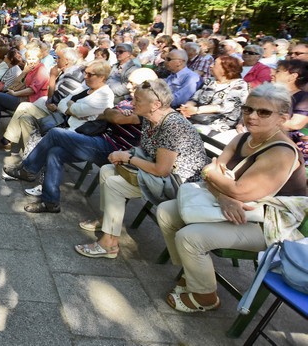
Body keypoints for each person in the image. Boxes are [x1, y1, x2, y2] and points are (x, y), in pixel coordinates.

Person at [156, 83, 307, 312]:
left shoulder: (281, 151)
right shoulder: (244, 138)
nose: (252, 116)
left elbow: (238, 190)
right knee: (166, 212)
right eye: (248, 109)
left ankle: (205, 297)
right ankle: (193, 273)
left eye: (264, 112)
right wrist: (221, 193)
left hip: (270, 225)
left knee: (190, 237)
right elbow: (208, 172)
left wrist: (220, 181)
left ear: (282, 118)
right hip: (237, 210)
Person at [75, 79, 207, 258]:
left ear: (156, 105)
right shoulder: (149, 118)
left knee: (114, 184)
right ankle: (108, 221)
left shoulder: (172, 125)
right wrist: (127, 155)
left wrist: (128, 158)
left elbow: (162, 170)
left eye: (138, 100)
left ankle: (109, 244)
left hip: (180, 186)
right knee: (107, 170)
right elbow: (148, 152)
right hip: (162, 175)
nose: (132, 102)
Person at [2, 60, 115, 213]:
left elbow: (76, 109)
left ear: (102, 77)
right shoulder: (86, 88)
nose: (85, 76)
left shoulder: (105, 95)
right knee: (55, 153)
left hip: (83, 136)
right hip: (70, 129)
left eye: (89, 74)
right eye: (85, 72)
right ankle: (51, 202)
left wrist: (71, 108)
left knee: (54, 134)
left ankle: (28, 169)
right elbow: (63, 104)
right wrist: (71, 108)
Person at [178, 56, 248, 136]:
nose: (210, 66)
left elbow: (224, 107)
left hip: (219, 125)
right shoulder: (210, 81)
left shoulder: (240, 85)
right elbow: (195, 98)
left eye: (214, 64)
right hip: (196, 119)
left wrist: (197, 110)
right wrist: (186, 108)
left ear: (225, 69)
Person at [272, 59, 308, 158]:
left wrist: (263, 122)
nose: (273, 73)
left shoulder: (303, 98)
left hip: (285, 144)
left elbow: (295, 124)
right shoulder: (270, 94)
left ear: (292, 76)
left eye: (278, 71)